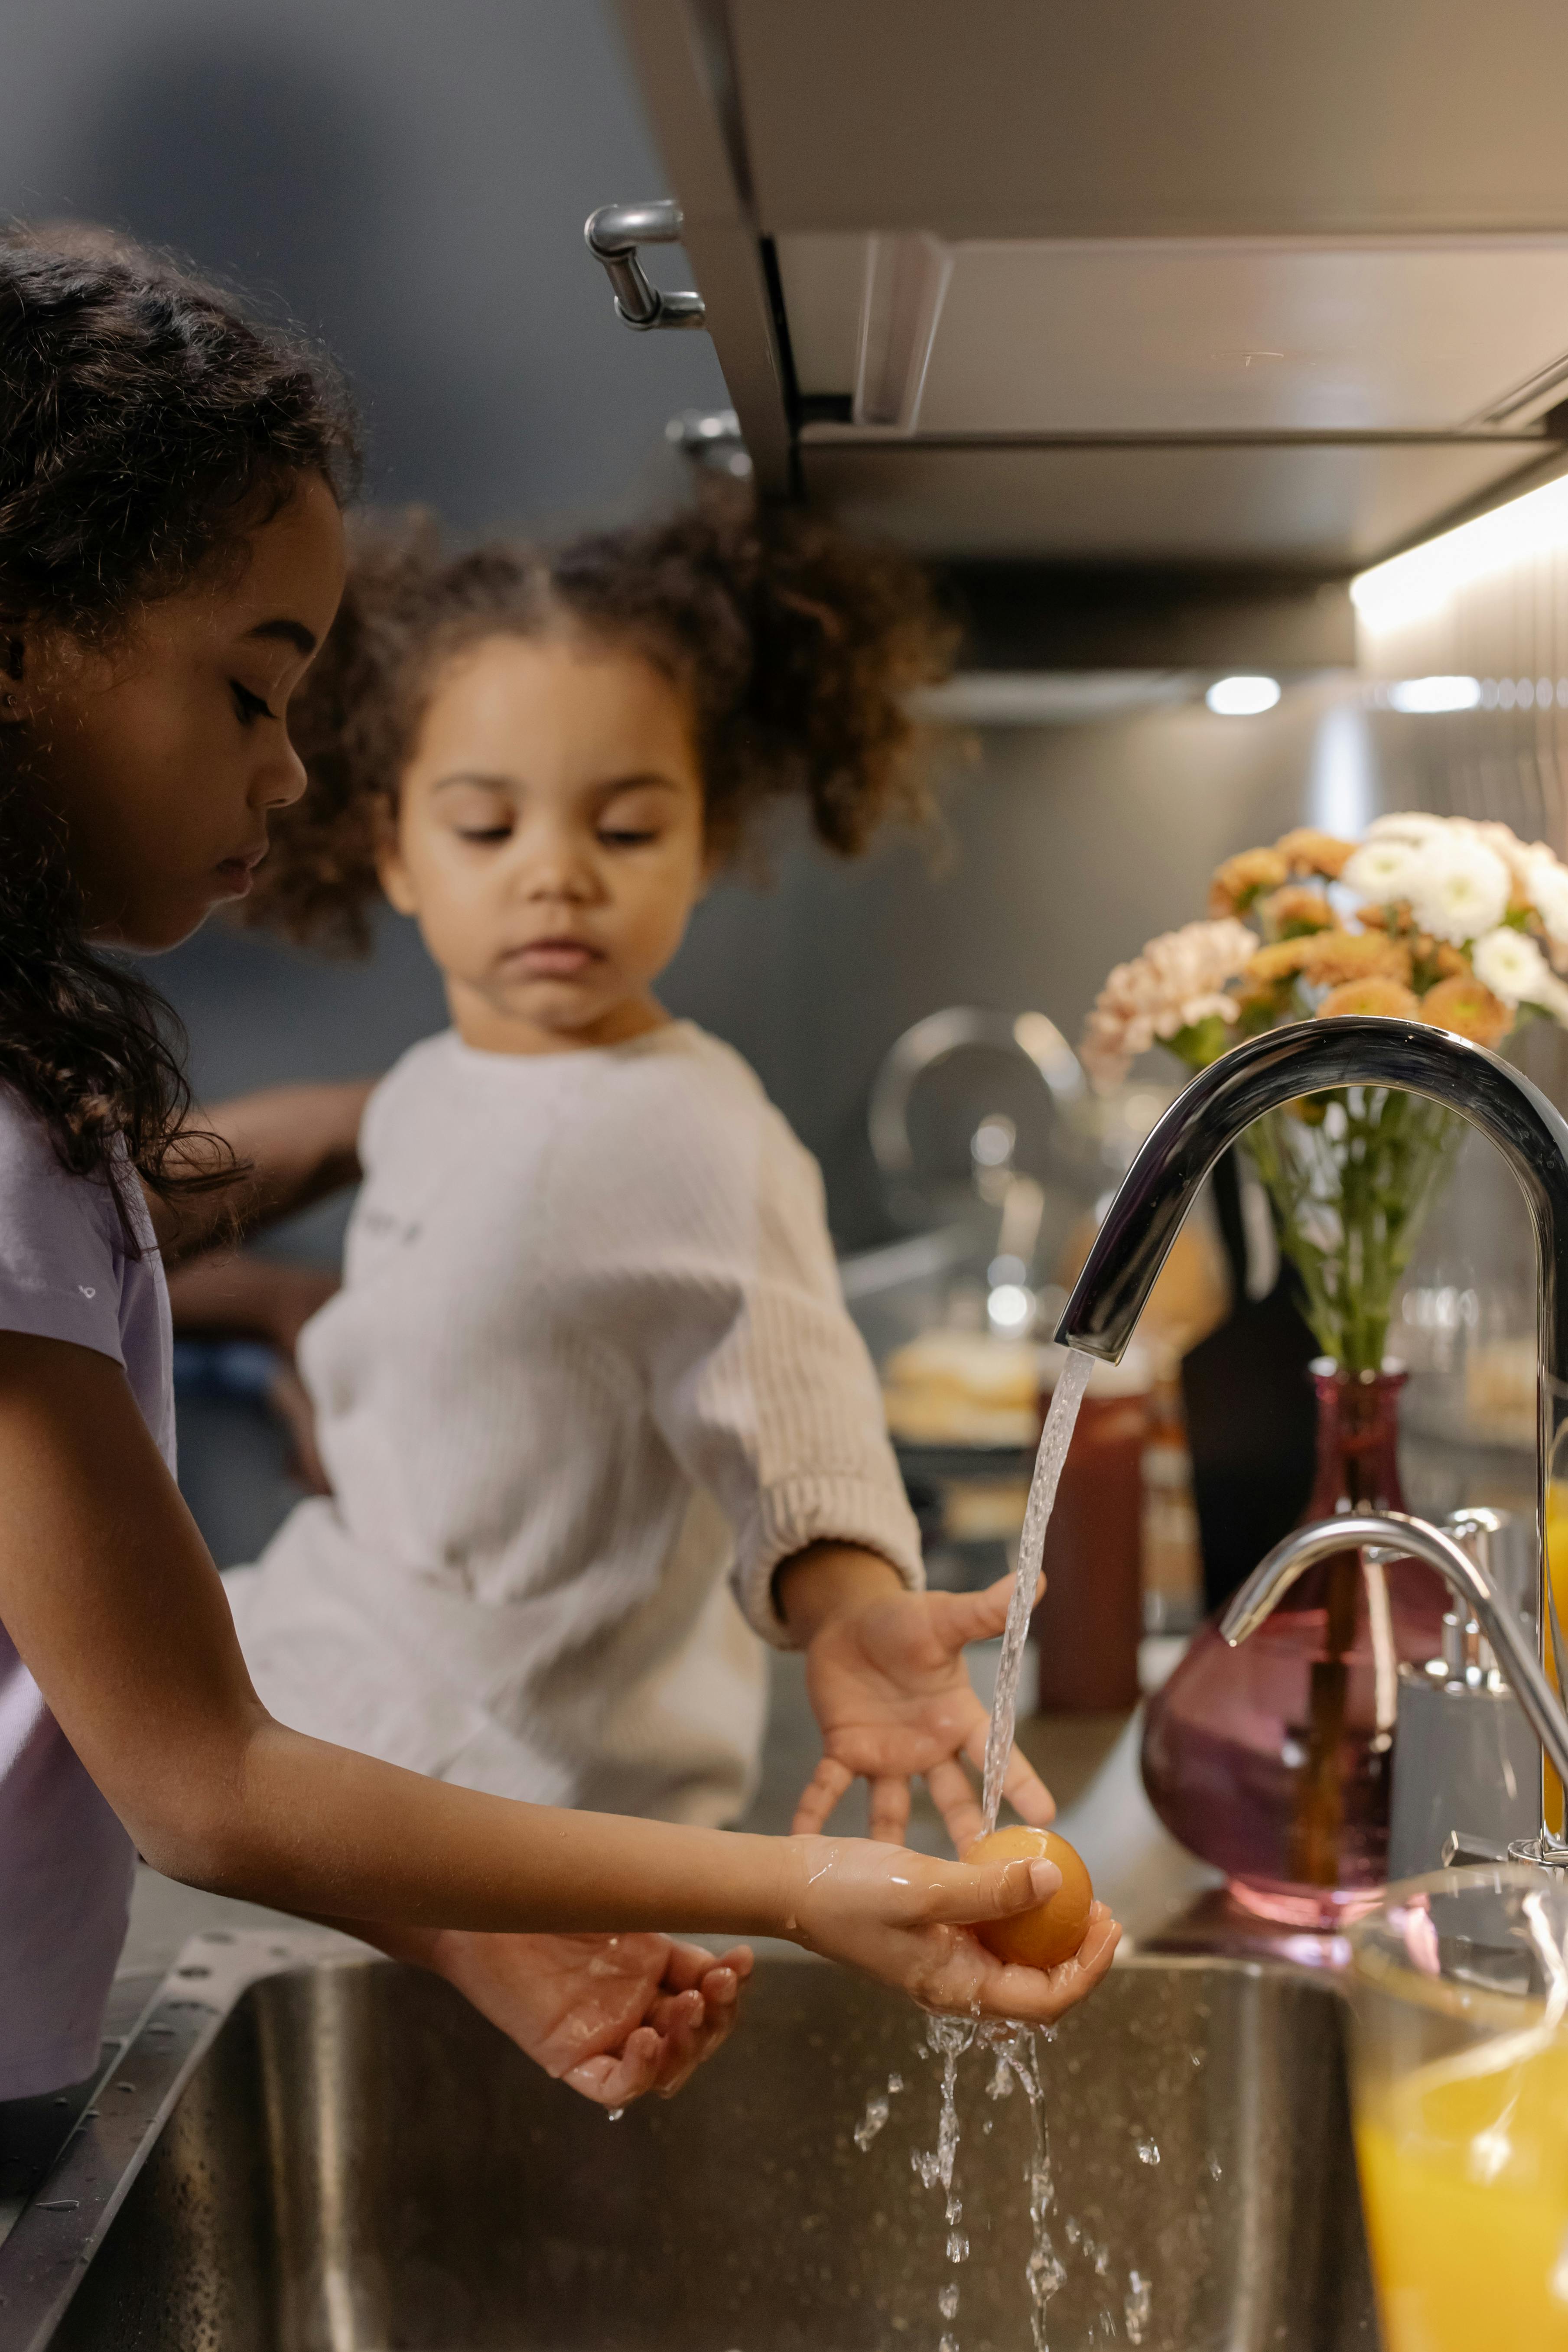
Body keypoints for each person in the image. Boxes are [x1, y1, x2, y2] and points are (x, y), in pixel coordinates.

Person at [0, 233, 1118, 2119]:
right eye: (253, 693)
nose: (277, 774)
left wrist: (472, 1918)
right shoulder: (121, 1110)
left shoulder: (651, 1111)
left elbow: (780, 1374)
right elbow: (197, 1777)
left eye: (622, 822)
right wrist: (801, 1885)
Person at [194, 498, 1070, 1860]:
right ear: (393, 850)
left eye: (625, 828)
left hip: (531, 1817)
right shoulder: (435, 1083)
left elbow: (791, 1408)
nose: (554, 875)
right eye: (487, 829)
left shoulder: (689, 1126)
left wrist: (852, 1610)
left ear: (708, 842)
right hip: (356, 1730)